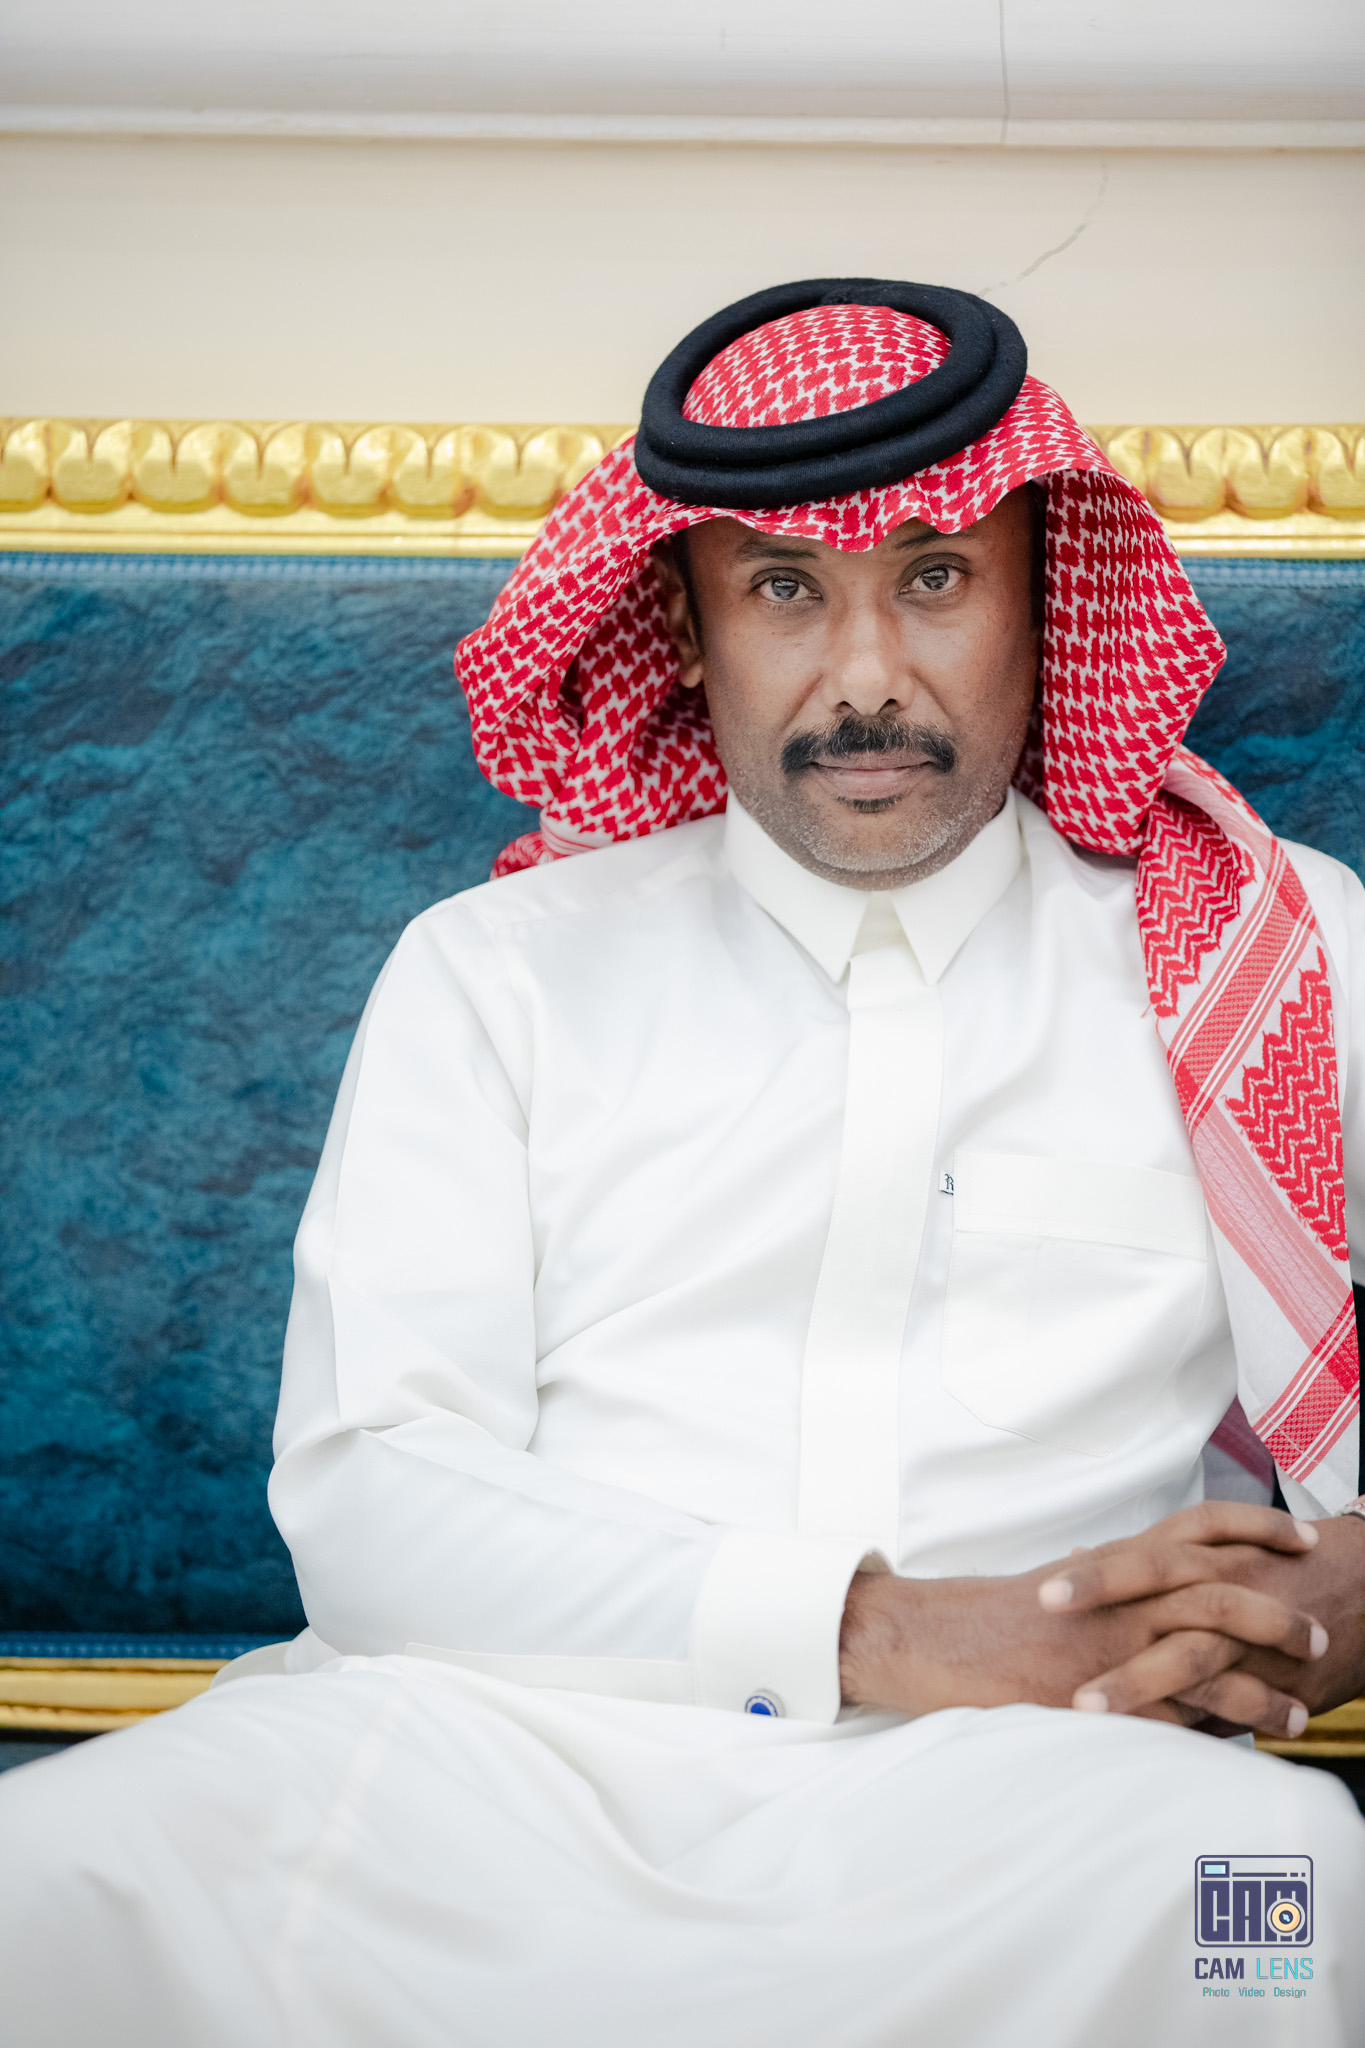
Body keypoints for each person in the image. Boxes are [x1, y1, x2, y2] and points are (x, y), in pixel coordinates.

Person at [2, 279, 1364, 2047]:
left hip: (1045, 1780)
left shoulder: (1266, 956)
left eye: (935, 580)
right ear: (687, 624)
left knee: (1272, 1890)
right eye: (784, 590)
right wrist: (886, 1629)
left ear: (1044, 599)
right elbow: (373, 1494)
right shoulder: (494, 975)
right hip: (502, 1752)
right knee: (56, 1872)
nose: (863, 680)